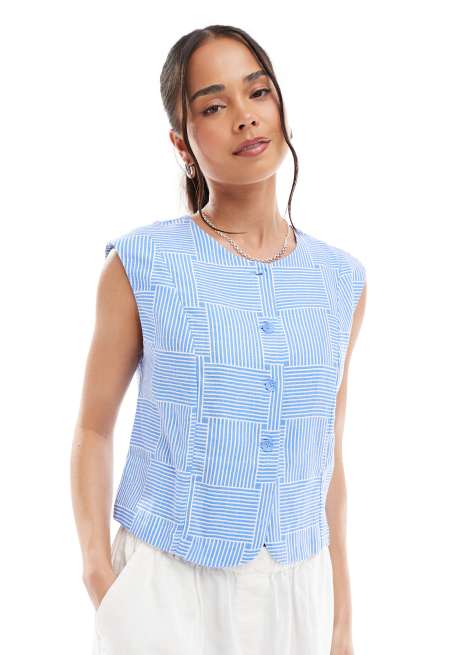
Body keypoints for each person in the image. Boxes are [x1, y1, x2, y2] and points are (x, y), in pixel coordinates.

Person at [70, 24, 367, 655]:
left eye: (257, 93)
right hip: (166, 586)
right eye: (213, 106)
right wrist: (100, 575)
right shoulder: (140, 264)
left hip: (298, 591)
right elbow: (93, 429)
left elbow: (327, 455)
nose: (244, 117)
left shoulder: (341, 280)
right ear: (182, 143)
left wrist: (341, 616)